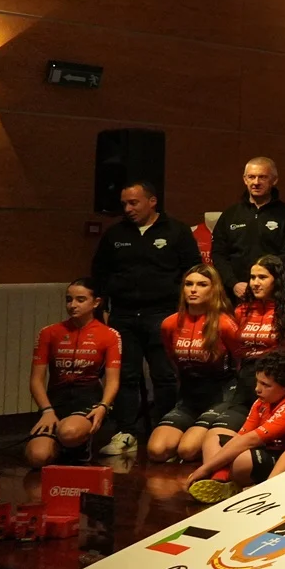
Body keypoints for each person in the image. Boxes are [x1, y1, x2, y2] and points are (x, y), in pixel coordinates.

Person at [89, 179, 201, 451]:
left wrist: (187, 312)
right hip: (123, 315)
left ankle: (164, 429)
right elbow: (99, 274)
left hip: (163, 314)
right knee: (126, 375)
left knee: (164, 374)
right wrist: (100, 311)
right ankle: (126, 432)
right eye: (124, 203)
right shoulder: (116, 235)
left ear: (152, 202)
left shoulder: (176, 231)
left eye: (134, 202)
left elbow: (194, 273)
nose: (128, 209)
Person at [183, 351, 285, 502]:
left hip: (283, 457)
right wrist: (216, 465)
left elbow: (251, 439)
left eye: (265, 385)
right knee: (213, 440)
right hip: (263, 448)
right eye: (257, 381)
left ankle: (227, 481)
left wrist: (205, 468)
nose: (257, 389)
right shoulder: (262, 401)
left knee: (242, 460)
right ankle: (220, 480)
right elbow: (241, 435)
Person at [146, 265, 241, 464]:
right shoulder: (170, 324)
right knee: (156, 450)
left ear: (213, 289)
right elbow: (172, 358)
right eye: (189, 284)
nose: (193, 289)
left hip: (220, 395)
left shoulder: (224, 323)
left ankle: (201, 440)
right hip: (189, 397)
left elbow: (239, 361)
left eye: (202, 284)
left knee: (187, 450)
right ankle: (191, 435)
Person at [211, 255, 285, 436]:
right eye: (252, 277)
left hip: (279, 389)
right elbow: (235, 349)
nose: (255, 283)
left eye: (262, 277)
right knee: (213, 439)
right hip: (246, 386)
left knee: (250, 446)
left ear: (277, 280)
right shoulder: (241, 311)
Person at [27, 279, 121, 467]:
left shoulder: (109, 335)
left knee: (68, 432)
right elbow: (36, 380)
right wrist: (46, 411)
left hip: (88, 401)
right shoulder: (49, 332)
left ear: (96, 303)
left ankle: (79, 441)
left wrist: (103, 406)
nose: (72, 305)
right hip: (56, 402)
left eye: (80, 300)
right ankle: (63, 446)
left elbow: (113, 380)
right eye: (69, 300)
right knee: (37, 457)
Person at [211, 157, 285, 300]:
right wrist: (233, 283)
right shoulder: (230, 215)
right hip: (236, 293)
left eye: (262, 177)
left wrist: (263, 283)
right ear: (245, 179)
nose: (256, 182)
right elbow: (219, 254)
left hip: (275, 294)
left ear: (274, 180)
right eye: (251, 177)